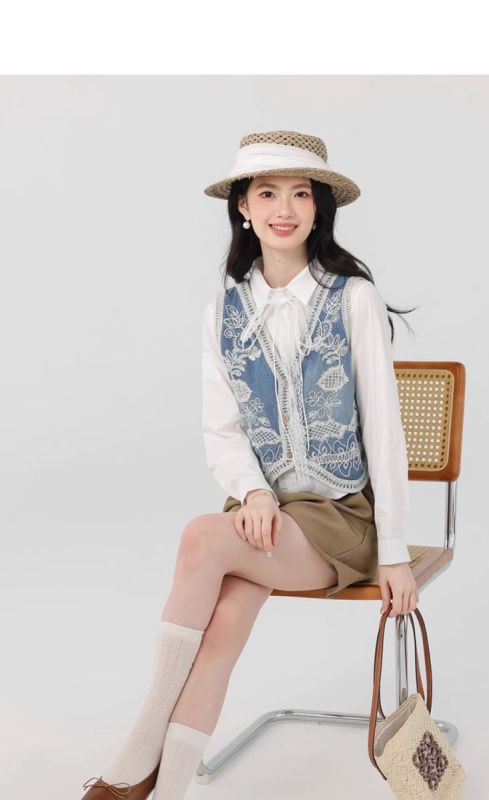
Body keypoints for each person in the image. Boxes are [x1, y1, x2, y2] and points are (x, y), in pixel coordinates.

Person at [81, 129, 419, 799]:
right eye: (266, 193)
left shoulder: (352, 297)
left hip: (339, 521)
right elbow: (222, 427)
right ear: (242, 206)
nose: (283, 209)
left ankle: (137, 749)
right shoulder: (224, 310)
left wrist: (395, 550)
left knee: (200, 538)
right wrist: (254, 492)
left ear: (319, 208)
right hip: (265, 517)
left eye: (301, 194)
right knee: (226, 622)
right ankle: (166, 788)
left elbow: (385, 430)